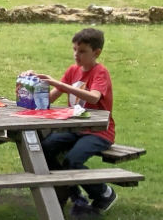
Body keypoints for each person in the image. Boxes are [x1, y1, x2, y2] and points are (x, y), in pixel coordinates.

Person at [38, 27, 118, 216]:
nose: (76, 55)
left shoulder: (100, 72)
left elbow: (93, 98)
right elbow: (50, 99)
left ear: (96, 53)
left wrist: (61, 84)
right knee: (44, 147)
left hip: (99, 132)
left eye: (82, 51)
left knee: (73, 160)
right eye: (74, 50)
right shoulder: (73, 70)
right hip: (76, 129)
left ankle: (104, 193)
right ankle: (72, 192)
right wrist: (32, 88)